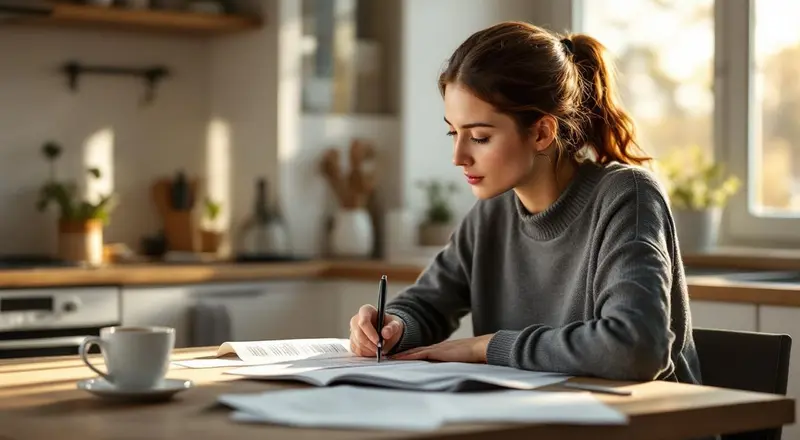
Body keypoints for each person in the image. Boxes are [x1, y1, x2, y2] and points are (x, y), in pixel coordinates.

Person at [348, 20, 702, 384]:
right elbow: (425, 305)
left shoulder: (626, 196)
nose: (458, 156)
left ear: (541, 132)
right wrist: (392, 326)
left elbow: (636, 348)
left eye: (480, 137)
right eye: (453, 132)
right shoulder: (491, 214)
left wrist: (486, 348)